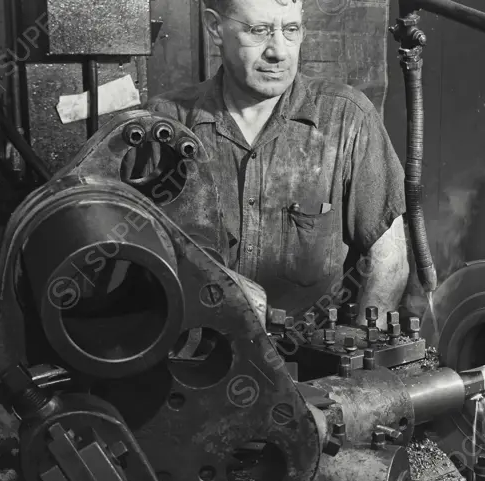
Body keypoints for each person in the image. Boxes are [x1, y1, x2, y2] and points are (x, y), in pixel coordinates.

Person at [146, 0, 409, 328]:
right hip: (196, 364)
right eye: (258, 31)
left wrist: (359, 362)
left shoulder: (348, 119)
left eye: (291, 30)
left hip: (314, 365)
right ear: (215, 28)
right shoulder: (165, 125)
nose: (279, 52)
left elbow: (388, 261)